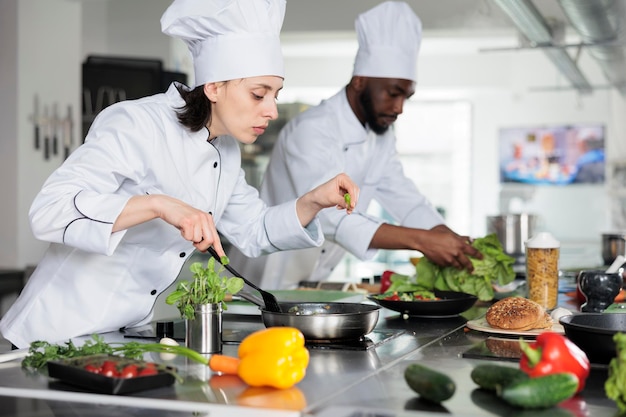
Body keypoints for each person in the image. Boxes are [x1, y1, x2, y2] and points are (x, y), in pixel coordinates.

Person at [0, 0, 359, 349]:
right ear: (214, 87)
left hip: (120, 338)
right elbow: (50, 211)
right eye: (258, 94)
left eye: (275, 95)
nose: (271, 110)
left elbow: (254, 230)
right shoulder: (137, 123)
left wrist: (313, 201)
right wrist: (159, 205)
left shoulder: (227, 150)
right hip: (52, 334)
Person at [230, 1, 480, 290]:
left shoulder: (380, 135)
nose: (398, 108)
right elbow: (329, 217)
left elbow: (403, 195)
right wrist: (423, 241)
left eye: (405, 97)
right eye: (392, 93)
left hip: (312, 282)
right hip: (262, 280)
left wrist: (446, 237)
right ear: (360, 81)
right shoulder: (312, 129)